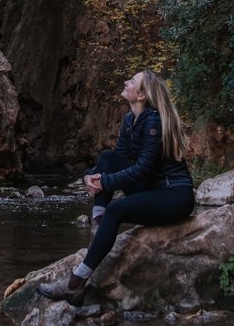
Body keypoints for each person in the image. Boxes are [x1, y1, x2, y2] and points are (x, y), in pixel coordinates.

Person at [38, 69, 194, 306]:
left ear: (141, 95)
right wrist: (88, 177)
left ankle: (75, 283)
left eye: (132, 82)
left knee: (116, 210)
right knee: (107, 157)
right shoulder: (130, 120)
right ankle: (97, 223)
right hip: (152, 189)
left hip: (174, 196)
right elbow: (117, 158)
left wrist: (104, 182)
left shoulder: (153, 122)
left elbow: (142, 169)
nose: (125, 82)